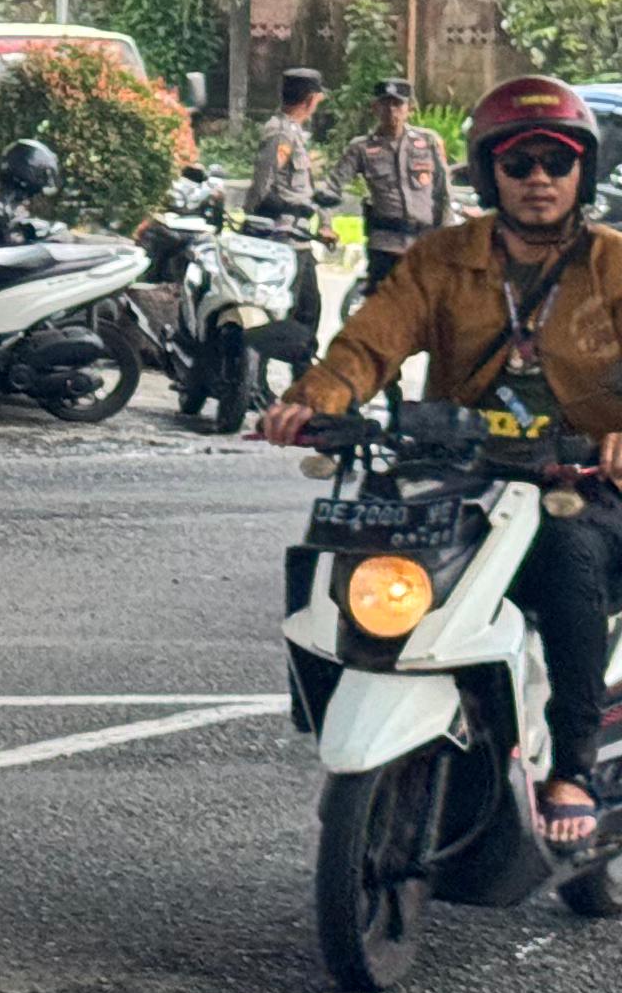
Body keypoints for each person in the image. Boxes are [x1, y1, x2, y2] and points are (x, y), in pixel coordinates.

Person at [263, 76, 622, 848]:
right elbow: (370, 340)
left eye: (555, 163)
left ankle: (578, 766)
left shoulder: (612, 265)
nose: (537, 179)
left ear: (580, 174)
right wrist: (317, 398)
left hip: (582, 484)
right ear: (490, 170)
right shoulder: (441, 259)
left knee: (567, 557)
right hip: (469, 475)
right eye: (518, 161)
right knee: (352, 542)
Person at [344, 80, 453, 298]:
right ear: (375, 107)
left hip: (423, 246)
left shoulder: (427, 142)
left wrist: (445, 235)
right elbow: (334, 184)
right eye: (385, 105)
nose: (391, 111)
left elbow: (443, 191)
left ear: (409, 109)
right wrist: (325, 221)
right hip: (385, 246)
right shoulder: (362, 148)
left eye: (397, 105)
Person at [252, 67, 336, 222]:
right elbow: (263, 184)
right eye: (318, 99)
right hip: (280, 228)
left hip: (295, 226)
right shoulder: (281, 133)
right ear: (310, 100)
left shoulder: (292, 130)